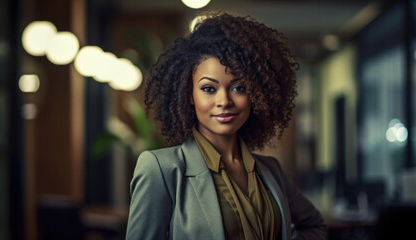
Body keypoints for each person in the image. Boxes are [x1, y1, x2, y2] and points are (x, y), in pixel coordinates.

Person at [126, 12, 327, 240]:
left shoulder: (271, 171)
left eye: (239, 88)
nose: (224, 101)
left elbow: (314, 226)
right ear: (189, 94)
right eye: (209, 89)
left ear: (257, 93)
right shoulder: (160, 169)